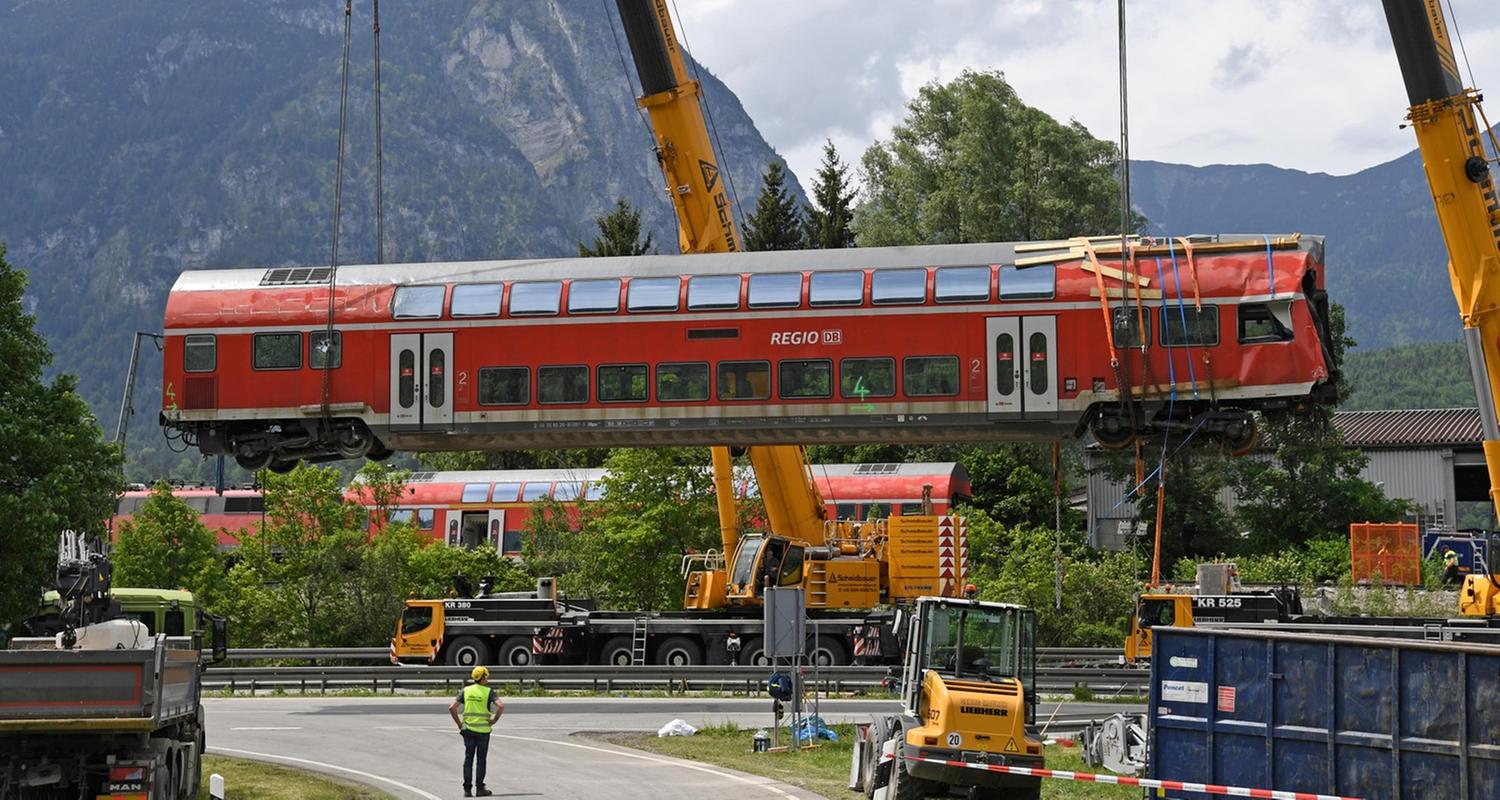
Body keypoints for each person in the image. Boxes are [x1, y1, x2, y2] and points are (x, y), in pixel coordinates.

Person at [449, 665, 503, 797]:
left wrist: (459, 724)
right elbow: (500, 705)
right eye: (486, 677)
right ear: (483, 678)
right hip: (483, 731)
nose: (488, 680)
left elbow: (452, 707)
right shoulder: (488, 691)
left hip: (468, 730)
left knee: (468, 758)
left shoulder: (466, 690)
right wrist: (495, 719)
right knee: (481, 759)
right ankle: (480, 788)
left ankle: (467, 789)